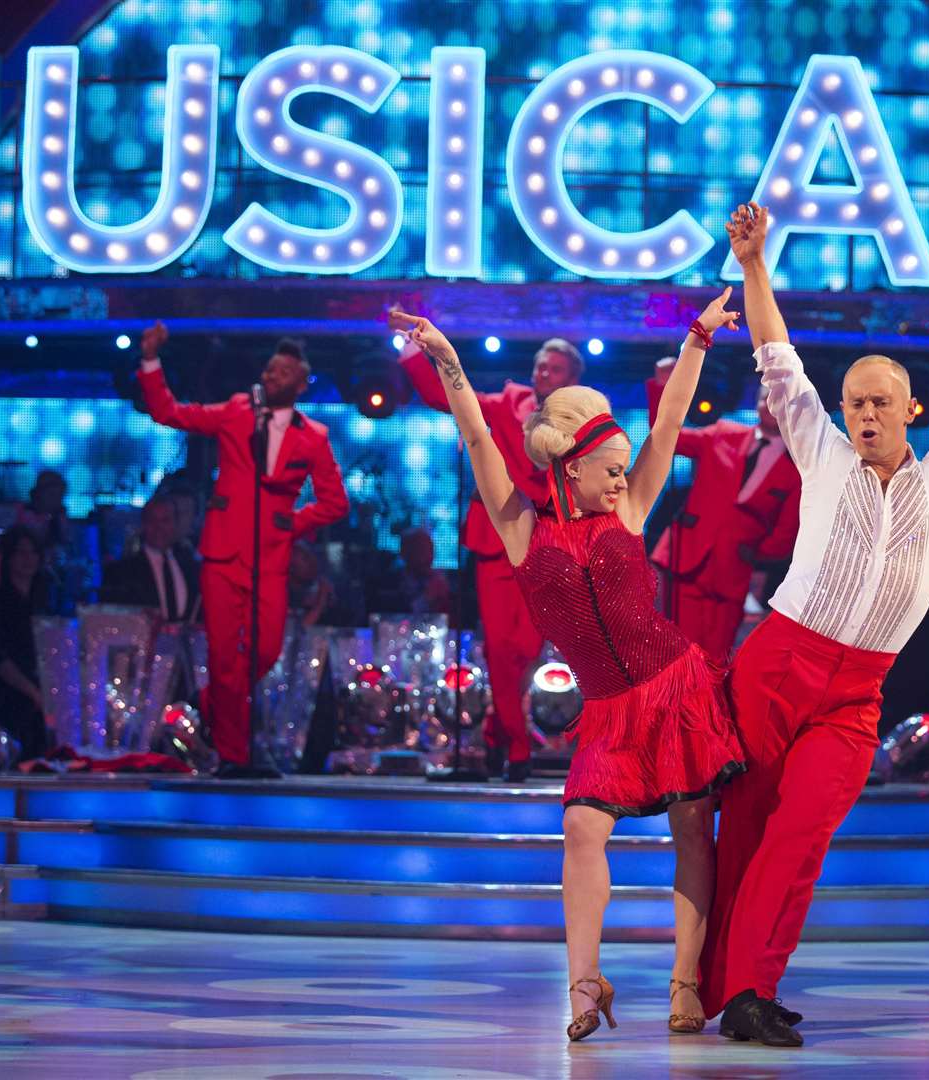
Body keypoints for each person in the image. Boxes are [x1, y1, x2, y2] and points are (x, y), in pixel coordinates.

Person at [698, 203, 929, 1045]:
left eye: (878, 403)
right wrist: (754, 267)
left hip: (857, 688)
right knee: (750, 826)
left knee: (806, 829)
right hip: (780, 660)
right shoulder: (820, 451)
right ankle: (735, 990)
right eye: (854, 402)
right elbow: (777, 361)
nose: (862, 414)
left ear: (909, 411)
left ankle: (751, 984)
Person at [389, 292, 745, 1044]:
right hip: (609, 710)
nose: (623, 479)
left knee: (691, 826)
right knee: (582, 828)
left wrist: (699, 337)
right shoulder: (521, 528)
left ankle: (687, 981)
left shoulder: (631, 510)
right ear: (571, 468)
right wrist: (446, 359)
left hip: (675, 685)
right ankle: (586, 985)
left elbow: (672, 419)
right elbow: (480, 440)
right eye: (609, 469)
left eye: (625, 469)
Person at [135, 321, 349, 776]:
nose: (271, 376)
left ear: (301, 383)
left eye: (282, 372)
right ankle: (234, 755)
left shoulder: (313, 437)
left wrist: (291, 524)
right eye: (269, 369)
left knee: (263, 652)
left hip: (270, 558)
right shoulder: (236, 411)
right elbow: (170, 413)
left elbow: (334, 502)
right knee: (223, 655)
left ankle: (211, 703)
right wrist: (152, 360)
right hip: (223, 553)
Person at [398, 334, 582, 781]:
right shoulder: (507, 402)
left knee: (526, 649)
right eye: (540, 364)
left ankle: (498, 731)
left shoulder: (583, 417)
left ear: (572, 379)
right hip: (496, 539)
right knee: (501, 649)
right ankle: (517, 749)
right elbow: (446, 397)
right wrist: (411, 352)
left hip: (547, 543)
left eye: (554, 368)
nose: (543, 373)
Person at [645, 363, 800, 661]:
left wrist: (748, 552)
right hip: (686, 560)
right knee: (674, 653)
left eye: (776, 397)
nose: (768, 402)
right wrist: (664, 386)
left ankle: (705, 709)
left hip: (731, 575)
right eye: (764, 395)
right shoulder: (723, 434)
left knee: (714, 659)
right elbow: (665, 438)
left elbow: (785, 534)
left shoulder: (796, 469)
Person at [0, 526, 52, 759]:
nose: (27, 559)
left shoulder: (46, 605)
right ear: (9, 558)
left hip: (42, 703)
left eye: (32, 553)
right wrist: (35, 694)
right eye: (21, 553)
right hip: (7, 701)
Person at [99, 495, 201, 622]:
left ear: (175, 523)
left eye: (165, 520)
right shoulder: (120, 572)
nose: (158, 528)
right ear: (143, 524)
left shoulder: (192, 568)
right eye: (152, 520)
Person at [366, 526, 453, 616]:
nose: (428, 556)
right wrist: (426, 599)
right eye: (421, 549)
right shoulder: (386, 584)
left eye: (430, 549)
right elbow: (388, 619)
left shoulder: (444, 583)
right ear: (404, 552)